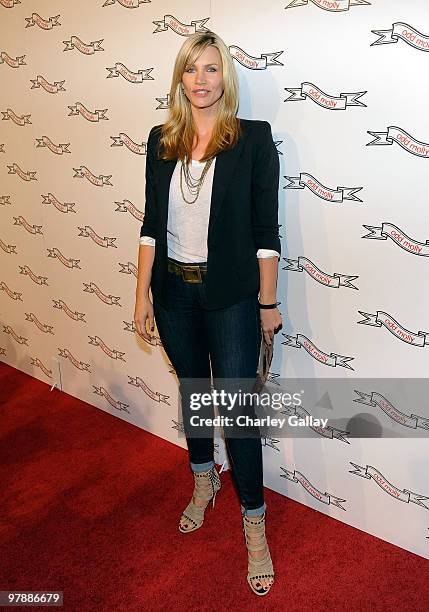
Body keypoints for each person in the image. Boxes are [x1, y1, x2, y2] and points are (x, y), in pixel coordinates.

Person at [134, 30, 282, 596]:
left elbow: (266, 233)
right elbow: (150, 223)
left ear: (227, 78)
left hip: (233, 297)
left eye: (211, 69)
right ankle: (203, 482)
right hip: (174, 295)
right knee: (195, 391)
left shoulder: (252, 140)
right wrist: (142, 291)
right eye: (191, 69)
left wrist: (268, 303)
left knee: (238, 411)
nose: (200, 79)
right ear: (180, 78)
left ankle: (254, 521)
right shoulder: (161, 139)